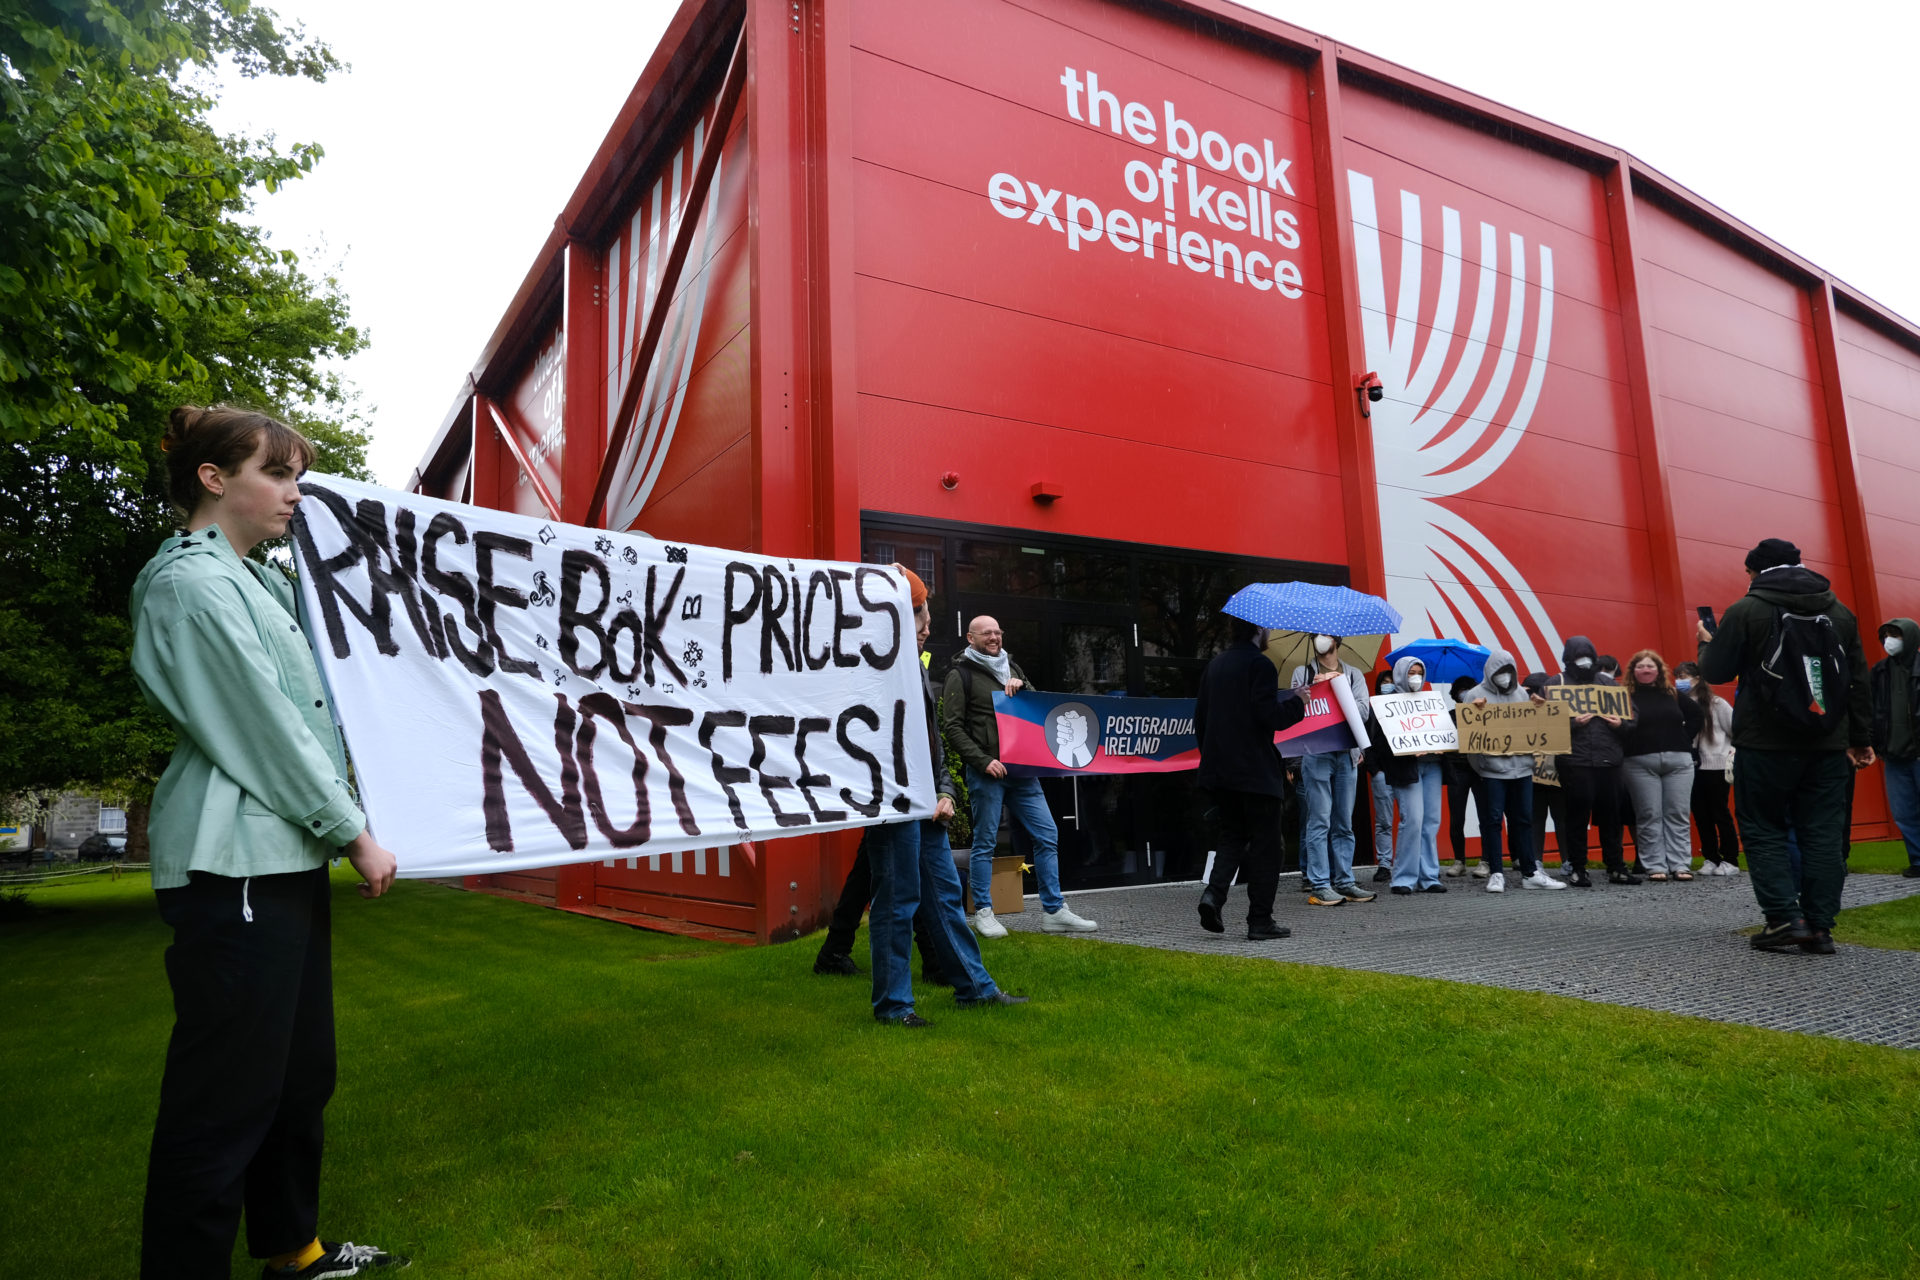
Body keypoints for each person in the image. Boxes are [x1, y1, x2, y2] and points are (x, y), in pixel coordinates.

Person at [130, 406, 406, 1279]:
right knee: (223, 1101)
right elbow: (267, 731)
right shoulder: (191, 586)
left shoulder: (255, 580)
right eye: (278, 475)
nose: (296, 493)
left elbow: (333, 666)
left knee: (295, 1079)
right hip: (234, 862)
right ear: (215, 480)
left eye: (298, 477)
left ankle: (295, 1250)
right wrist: (352, 832)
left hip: (278, 861)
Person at [1696, 537, 1873, 954]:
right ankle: (1820, 926)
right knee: (1823, 833)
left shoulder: (1747, 610)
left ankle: (1784, 919)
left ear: (1755, 572)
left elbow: (1716, 669)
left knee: (1763, 827)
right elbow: (1858, 680)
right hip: (1828, 744)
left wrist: (1706, 641)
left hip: (1766, 743)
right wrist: (1861, 739)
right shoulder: (1839, 611)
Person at [866, 572, 1029, 1025]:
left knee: (946, 898)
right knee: (897, 903)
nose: (927, 625)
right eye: (922, 614)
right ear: (901, 613)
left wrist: (942, 789)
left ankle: (975, 990)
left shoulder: (912, 666)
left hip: (926, 805)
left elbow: (930, 738)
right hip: (895, 806)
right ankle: (894, 1007)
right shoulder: (876, 669)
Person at [941, 616, 1098, 936]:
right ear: (971, 638)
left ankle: (1053, 911)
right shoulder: (961, 674)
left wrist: (1022, 688)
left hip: (1022, 771)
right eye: (987, 633)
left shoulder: (1011, 666)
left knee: (1047, 834)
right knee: (985, 842)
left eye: (998, 631)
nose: (995, 637)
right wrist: (982, 761)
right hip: (988, 773)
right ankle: (983, 912)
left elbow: (1038, 708)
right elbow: (952, 727)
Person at [1196, 615, 1309, 936]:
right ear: (1258, 630)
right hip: (1255, 775)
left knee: (1232, 836)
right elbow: (1268, 717)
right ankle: (1260, 920)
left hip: (1220, 773)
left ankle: (1213, 895)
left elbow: (1200, 721)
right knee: (1267, 847)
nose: (1271, 632)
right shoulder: (1260, 665)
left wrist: (1214, 761)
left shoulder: (1215, 666)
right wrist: (1297, 703)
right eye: (1268, 627)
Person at [1459, 649, 1563, 892]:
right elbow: (1468, 735)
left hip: (1522, 769)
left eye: (1508, 672)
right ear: (1489, 672)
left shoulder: (1521, 694)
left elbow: (1536, 728)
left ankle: (1530, 872)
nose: (1504, 677)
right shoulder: (1474, 695)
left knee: (1524, 819)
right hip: (1493, 771)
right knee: (1493, 821)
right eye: (1499, 672)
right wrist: (1482, 765)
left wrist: (1540, 708)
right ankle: (1496, 872)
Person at [1289, 635, 1378, 906]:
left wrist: (1338, 688)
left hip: (1346, 755)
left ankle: (1345, 880)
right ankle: (1319, 884)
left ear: (1336, 640)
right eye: (1316, 636)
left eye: (1324, 635)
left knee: (1343, 823)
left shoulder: (1353, 675)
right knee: (1319, 820)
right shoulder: (1302, 672)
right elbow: (1294, 711)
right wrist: (1312, 692)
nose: (1320, 640)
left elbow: (1363, 711)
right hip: (1316, 753)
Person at [1544, 637, 1633, 886]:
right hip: (1575, 762)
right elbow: (1544, 724)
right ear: (1568, 659)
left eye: (1588, 657)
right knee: (1577, 817)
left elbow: (1631, 717)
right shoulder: (1555, 684)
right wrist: (1572, 723)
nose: (1584, 662)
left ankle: (1615, 866)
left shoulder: (1608, 684)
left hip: (1609, 761)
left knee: (1612, 817)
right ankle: (1578, 867)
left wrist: (1621, 724)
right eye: (1579, 657)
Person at [1620, 650, 1704, 882]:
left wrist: (1683, 739)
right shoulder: (1624, 697)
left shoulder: (1673, 695)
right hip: (1638, 763)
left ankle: (1680, 865)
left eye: (1650, 666)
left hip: (1679, 763)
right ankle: (1655, 866)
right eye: (1640, 667)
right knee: (1648, 815)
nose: (1645, 670)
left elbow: (1697, 715)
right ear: (1632, 671)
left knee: (1677, 813)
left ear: (1659, 670)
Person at [1365, 656, 1446, 894]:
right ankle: (1403, 877)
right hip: (1405, 768)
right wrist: (1407, 749)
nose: (1416, 677)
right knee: (1412, 820)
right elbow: (1378, 743)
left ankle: (1429, 876)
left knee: (1431, 821)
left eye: (1420, 672)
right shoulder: (1388, 704)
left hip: (1433, 766)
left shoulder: (1430, 701)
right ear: (1401, 674)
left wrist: (1442, 744)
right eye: (1411, 672)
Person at [1674, 662, 1739, 875]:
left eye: (1684, 676)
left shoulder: (1716, 703)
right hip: (1691, 766)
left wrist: (1730, 752)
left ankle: (1730, 859)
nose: (1680, 680)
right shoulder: (1677, 705)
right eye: (1677, 676)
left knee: (1720, 812)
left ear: (1697, 678)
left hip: (1716, 765)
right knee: (1701, 814)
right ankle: (1710, 857)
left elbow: (1735, 729)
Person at [1870, 618, 1920, 879]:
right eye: (1886, 634)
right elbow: (1870, 710)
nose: (1889, 640)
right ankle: (1918, 860)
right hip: (1893, 754)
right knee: (1903, 812)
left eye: (1895, 635)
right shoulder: (1879, 672)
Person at [1441, 675, 1483, 878]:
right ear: (1455, 694)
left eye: (1469, 689)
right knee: (1456, 818)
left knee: (1486, 816)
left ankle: (1486, 860)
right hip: (1457, 770)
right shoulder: (1448, 716)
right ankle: (1459, 861)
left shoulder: (1483, 714)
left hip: (1480, 769)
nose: (1464, 693)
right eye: (1461, 689)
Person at [1365, 668, 1399, 883]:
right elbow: (1366, 739)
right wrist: (1374, 769)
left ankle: (1407, 863)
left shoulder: (1406, 706)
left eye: (1391, 681)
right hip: (1382, 773)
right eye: (1384, 682)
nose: (1388, 685)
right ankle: (1384, 864)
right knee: (1384, 822)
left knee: (1409, 821)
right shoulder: (1372, 709)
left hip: (1405, 772)